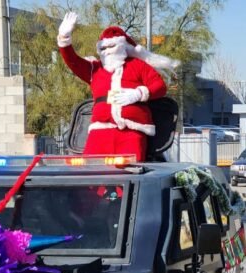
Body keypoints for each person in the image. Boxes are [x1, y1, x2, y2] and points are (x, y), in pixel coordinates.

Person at [57, 12, 180, 162]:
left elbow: (160, 86)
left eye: (112, 46)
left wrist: (138, 93)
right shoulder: (94, 69)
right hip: (100, 131)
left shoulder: (137, 65)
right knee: (91, 173)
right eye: (103, 48)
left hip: (131, 131)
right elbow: (73, 61)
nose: (107, 51)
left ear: (122, 46)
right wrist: (64, 39)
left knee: (127, 173)